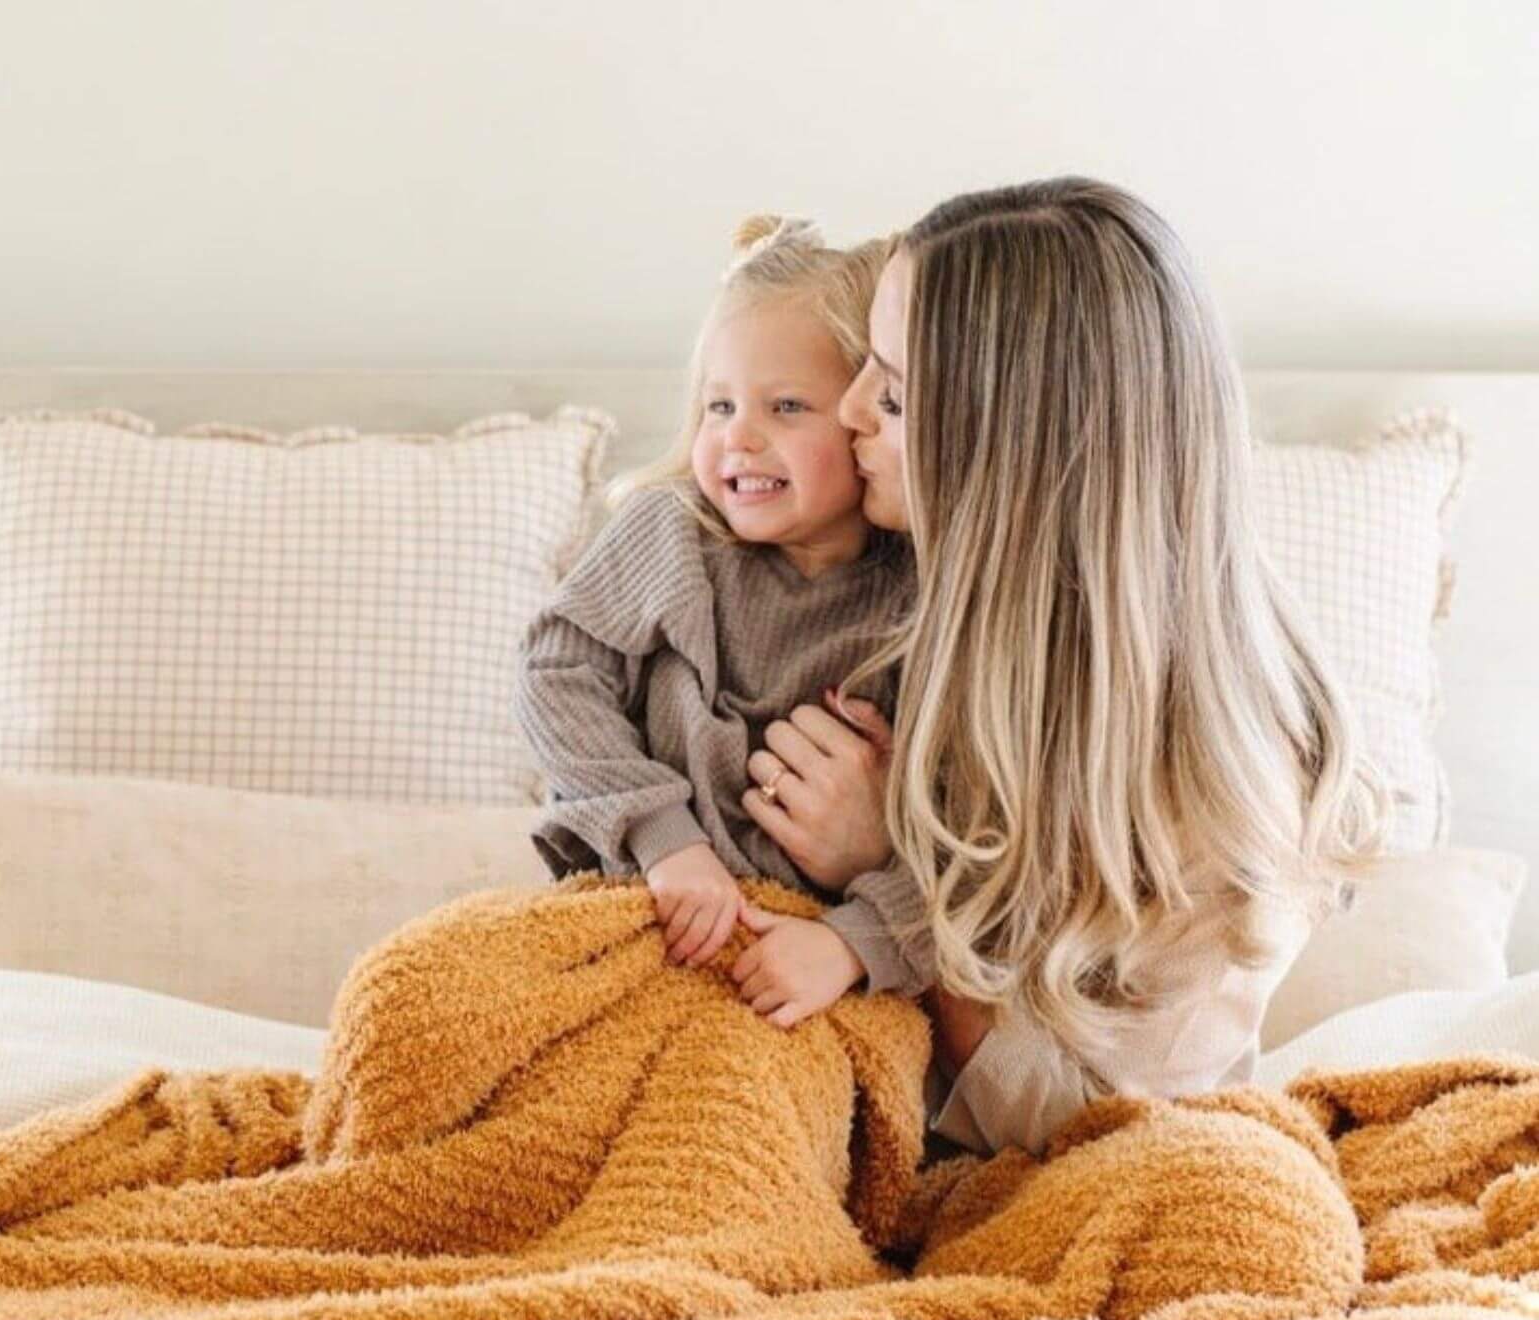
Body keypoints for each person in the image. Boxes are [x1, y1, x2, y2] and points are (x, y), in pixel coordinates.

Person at [736, 178, 1388, 1157]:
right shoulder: (853, 577)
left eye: (899, 393)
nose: (852, 409)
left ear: (1011, 456)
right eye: (866, 364)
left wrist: (890, 872)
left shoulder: (1233, 768)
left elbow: (1090, 1136)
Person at [514, 214, 936, 1029]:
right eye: (717, 405)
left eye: (784, 406)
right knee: (431, 993)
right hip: (643, 912)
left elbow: (974, 846)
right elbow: (554, 674)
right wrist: (666, 840)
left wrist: (856, 942)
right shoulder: (672, 532)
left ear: (865, 413)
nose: (738, 437)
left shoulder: (925, 602)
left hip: (810, 976)